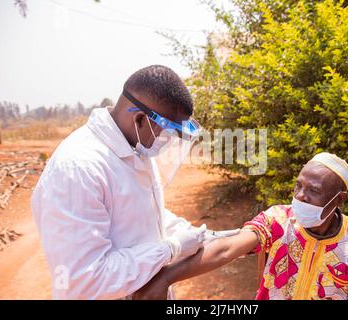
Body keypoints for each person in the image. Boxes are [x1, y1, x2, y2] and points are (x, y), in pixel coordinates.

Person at [31, 65, 238, 299]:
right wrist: (172, 249)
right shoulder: (78, 169)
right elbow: (86, 281)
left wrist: (197, 234)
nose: (167, 143)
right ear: (140, 119)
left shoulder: (136, 147)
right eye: (166, 134)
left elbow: (142, 213)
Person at [133, 152, 348, 300]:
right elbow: (226, 249)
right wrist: (167, 276)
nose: (300, 196)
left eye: (313, 191)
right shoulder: (278, 220)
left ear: (339, 199)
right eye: (298, 186)